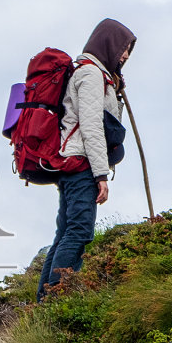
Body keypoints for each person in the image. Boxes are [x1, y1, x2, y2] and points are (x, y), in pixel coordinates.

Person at [36, 18, 136, 300]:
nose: (126, 56)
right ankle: (57, 300)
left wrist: (115, 90)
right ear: (109, 44)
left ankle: (44, 301)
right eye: (123, 48)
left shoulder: (96, 75)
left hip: (74, 164)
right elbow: (92, 127)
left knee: (66, 233)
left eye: (129, 50)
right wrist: (101, 175)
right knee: (79, 231)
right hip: (81, 165)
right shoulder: (91, 75)